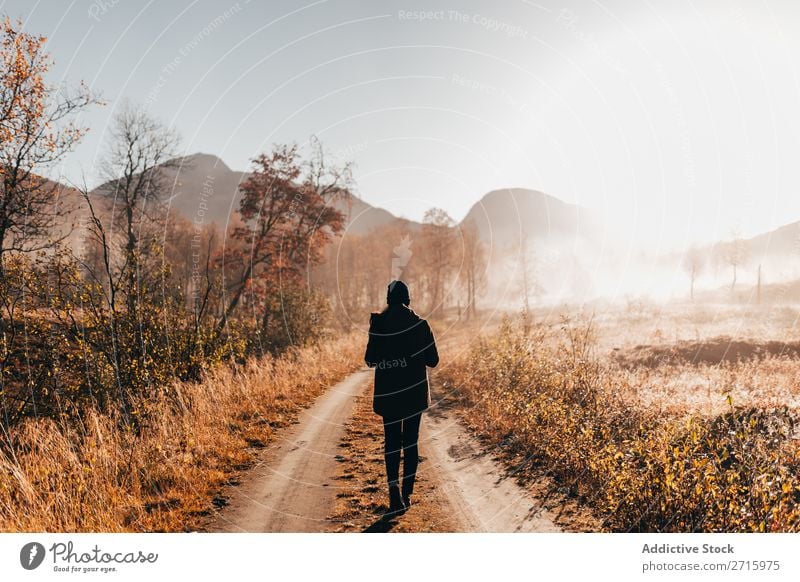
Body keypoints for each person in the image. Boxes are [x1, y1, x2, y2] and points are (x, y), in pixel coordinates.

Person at [364, 280, 439, 516]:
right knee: (411, 443)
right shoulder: (420, 324)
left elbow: (370, 359)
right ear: (408, 299)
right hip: (414, 395)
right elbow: (433, 360)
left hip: (389, 395)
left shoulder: (379, 324)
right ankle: (407, 493)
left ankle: (393, 489)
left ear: (389, 300)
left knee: (392, 443)